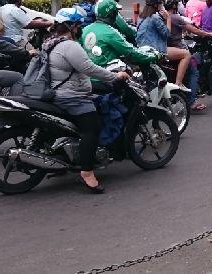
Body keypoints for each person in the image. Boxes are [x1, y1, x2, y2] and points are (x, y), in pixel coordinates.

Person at [46, 8, 132, 194]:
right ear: (72, 26)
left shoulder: (52, 42)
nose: (81, 28)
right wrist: (115, 76)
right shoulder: (69, 46)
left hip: (60, 92)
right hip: (71, 97)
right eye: (79, 25)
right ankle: (87, 171)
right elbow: (89, 68)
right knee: (92, 128)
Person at [165, 0, 212, 111]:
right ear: (175, 7)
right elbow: (193, 30)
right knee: (194, 72)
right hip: (178, 50)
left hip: (167, 51)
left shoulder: (161, 17)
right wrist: (207, 34)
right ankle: (192, 102)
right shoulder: (175, 17)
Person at [136, 0, 194, 91]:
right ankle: (178, 84)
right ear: (156, 5)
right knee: (186, 54)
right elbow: (167, 33)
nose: (162, 5)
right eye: (161, 3)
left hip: (142, 49)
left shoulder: (141, 17)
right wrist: (168, 18)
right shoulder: (155, 17)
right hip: (155, 50)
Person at [83, 0, 158, 69]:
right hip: (105, 78)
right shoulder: (110, 33)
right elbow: (131, 52)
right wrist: (154, 57)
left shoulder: (85, 30)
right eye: (116, 12)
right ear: (112, 14)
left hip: (87, 75)